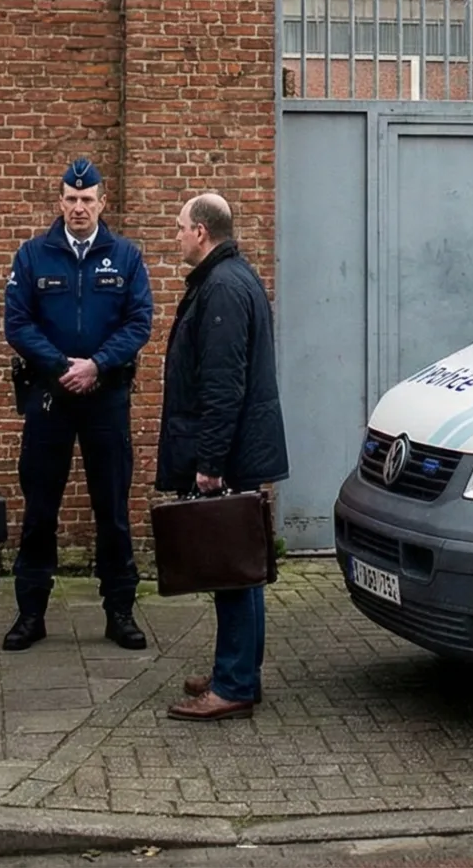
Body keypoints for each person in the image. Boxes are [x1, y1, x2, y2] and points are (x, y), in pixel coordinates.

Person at [2, 157, 156, 652]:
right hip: (50, 396)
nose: (78, 208)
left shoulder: (126, 257)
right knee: (39, 509)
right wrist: (60, 365)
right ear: (60, 201)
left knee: (112, 508)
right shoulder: (33, 256)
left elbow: (139, 321)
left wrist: (97, 365)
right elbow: (17, 323)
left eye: (87, 199)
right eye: (71, 198)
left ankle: (120, 612)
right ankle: (31, 613)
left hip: (106, 397)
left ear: (102, 202)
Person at [157, 192, 288, 721]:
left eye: (180, 227)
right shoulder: (229, 278)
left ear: (202, 232)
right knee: (240, 565)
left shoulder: (223, 289)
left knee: (232, 568)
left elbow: (223, 384)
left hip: (228, 455)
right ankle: (237, 670)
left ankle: (233, 685)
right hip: (237, 449)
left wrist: (209, 463)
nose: (176, 235)